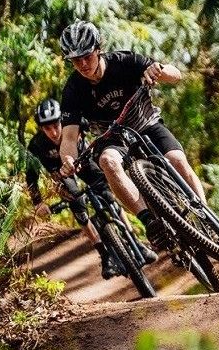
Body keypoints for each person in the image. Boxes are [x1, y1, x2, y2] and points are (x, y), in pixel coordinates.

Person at [56, 20, 205, 250]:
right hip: (112, 139)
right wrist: (67, 160)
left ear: (98, 49)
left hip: (146, 123)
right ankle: (149, 222)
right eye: (76, 60)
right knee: (107, 161)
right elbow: (68, 138)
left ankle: (205, 216)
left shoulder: (124, 61)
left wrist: (159, 70)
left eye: (87, 55)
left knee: (176, 160)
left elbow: (177, 76)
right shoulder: (73, 89)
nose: (83, 64)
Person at [25, 98, 157, 279]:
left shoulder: (74, 124)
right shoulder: (36, 145)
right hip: (62, 176)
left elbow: (98, 129)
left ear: (62, 121)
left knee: (108, 195)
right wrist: (38, 203)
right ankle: (104, 254)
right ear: (41, 129)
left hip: (85, 163)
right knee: (77, 204)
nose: (54, 132)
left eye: (56, 125)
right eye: (47, 128)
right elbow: (31, 176)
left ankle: (136, 242)